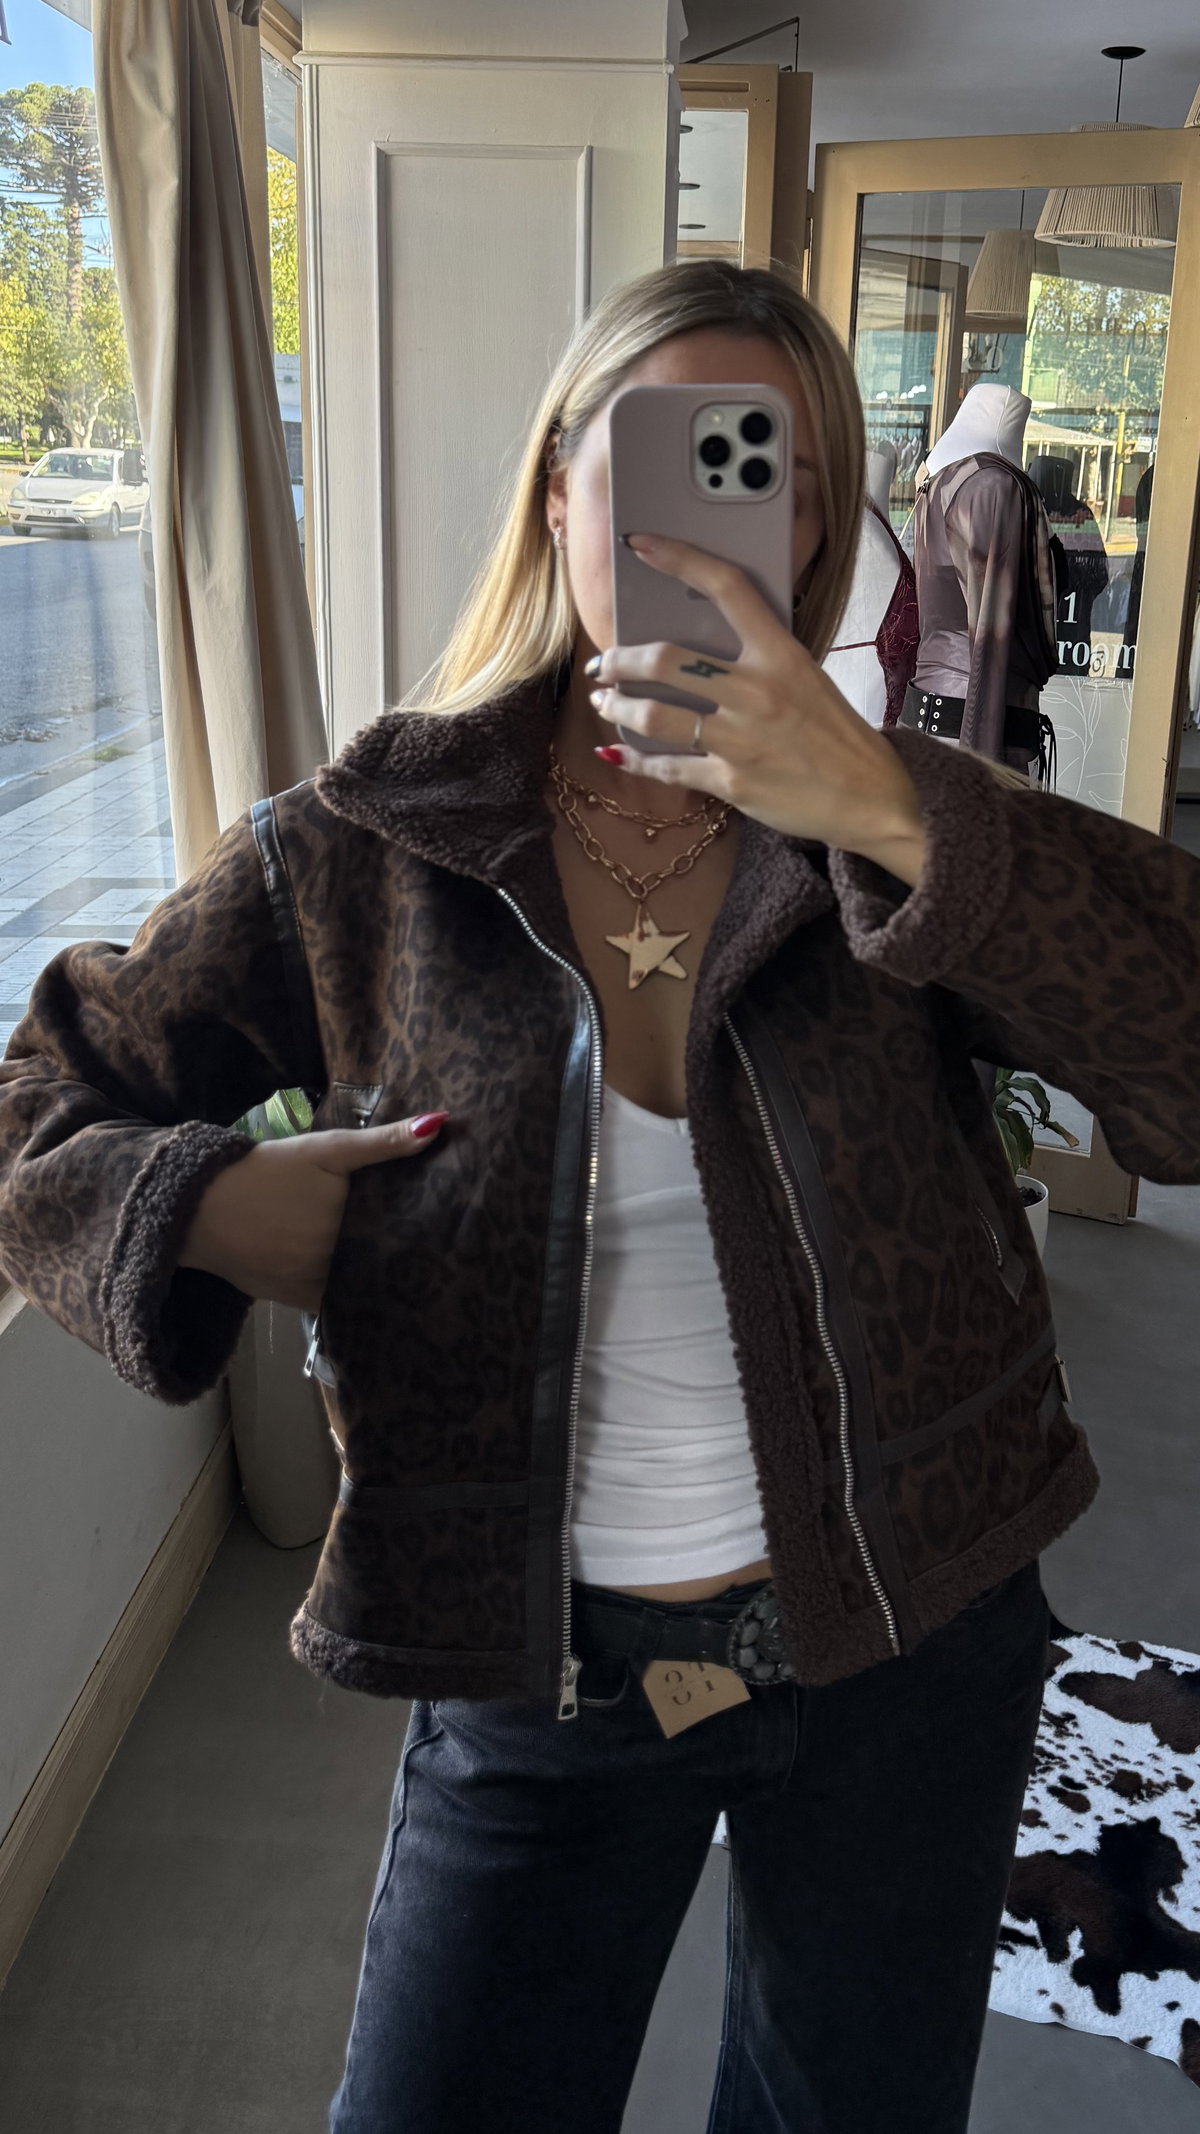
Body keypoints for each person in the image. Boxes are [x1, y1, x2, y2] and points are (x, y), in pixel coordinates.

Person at [0, 262, 1198, 2134]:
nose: (691, 520)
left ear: (816, 528)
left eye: (761, 470)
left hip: (915, 1646)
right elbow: (37, 1107)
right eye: (643, 458)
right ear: (556, 487)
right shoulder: (371, 852)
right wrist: (203, 1203)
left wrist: (891, 808)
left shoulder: (900, 842)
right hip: (541, 1673)